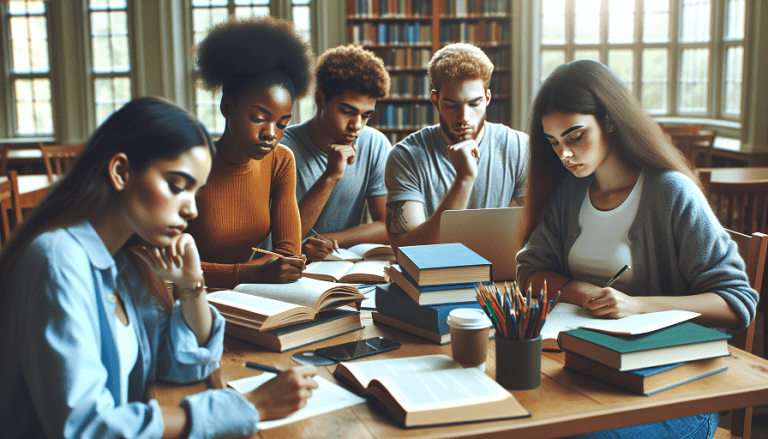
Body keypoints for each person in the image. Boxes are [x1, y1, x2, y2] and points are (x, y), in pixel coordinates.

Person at [0, 97, 318, 438]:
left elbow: (181, 364)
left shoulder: (126, 259)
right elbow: (86, 428)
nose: (191, 210)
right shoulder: (59, 259)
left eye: (195, 192)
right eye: (177, 186)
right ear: (121, 172)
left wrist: (192, 285)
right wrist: (249, 406)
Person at [516, 60, 758, 439]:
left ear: (610, 120)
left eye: (576, 136)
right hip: (592, 373)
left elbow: (737, 302)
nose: (564, 154)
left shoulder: (670, 192)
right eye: (554, 142)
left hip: (676, 390)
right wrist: (584, 293)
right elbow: (529, 272)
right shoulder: (570, 192)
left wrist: (637, 306)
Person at [187, 16, 314, 288]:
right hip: (190, 299)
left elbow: (289, 256)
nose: (271, 133)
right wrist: (246, 273)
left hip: (249, 297)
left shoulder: (280, 161)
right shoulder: (190, 164)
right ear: (227, 106)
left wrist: (253, 274)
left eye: (282, 124)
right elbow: (162, 265)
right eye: (259, 117)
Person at [384, 43, 528, 253]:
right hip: (431, 277)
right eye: (452, 105)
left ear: (487, 98)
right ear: (435, 100)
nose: (464, 117)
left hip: (499, 276)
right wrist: (464, 179)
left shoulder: (520, 147)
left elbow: (530, 237)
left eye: (474, 104)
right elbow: (407, 251)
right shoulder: (405, 156)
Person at [281, 44, 392, 261]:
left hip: (342, 266)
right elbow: (282, 240)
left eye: (366, 115)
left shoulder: (374, 144)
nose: (357, 126)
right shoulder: (283, 149)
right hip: (287, 270)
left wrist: (328, 240)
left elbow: (389, 226)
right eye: (347, 112)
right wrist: (330, 177)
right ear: (320, 99)